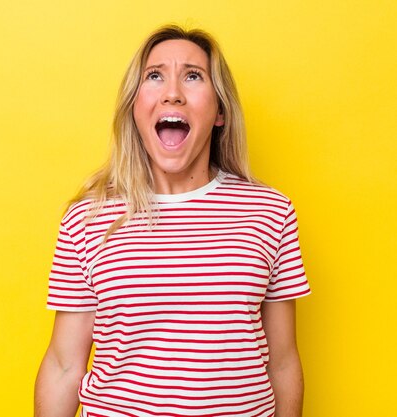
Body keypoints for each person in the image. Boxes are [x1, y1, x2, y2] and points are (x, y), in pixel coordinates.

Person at [35, 24, 311, 417]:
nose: (173, 92)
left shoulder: (269, 211)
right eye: (155, 76)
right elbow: (63, 366)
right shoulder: (87, 218)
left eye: (193, 76)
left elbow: (283, 362)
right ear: (134, 106)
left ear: (219, 112)